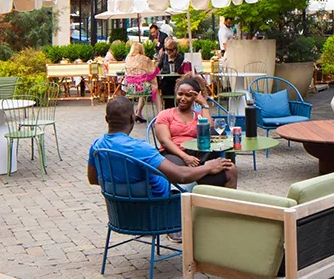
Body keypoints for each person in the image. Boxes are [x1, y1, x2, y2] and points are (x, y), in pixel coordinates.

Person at [88, 96, 236, 241]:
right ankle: (216, 228)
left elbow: (93, 179)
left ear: (106, 119)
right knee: (198, 180)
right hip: (157, 211)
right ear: (132, 118)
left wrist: (125, 187)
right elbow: (181, 176)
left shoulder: (97, 146)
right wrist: (208, 167)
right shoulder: (139, 148)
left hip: (122, 214)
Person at [152, 76, 237, 188]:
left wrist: (204, 105)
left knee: (231, 169)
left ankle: (224, 204)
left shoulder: (199, 116)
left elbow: (212, 134)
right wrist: (185, 157)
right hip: (174, 153)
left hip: (199, 155)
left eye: (188, 95)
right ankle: (206, 170)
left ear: (195, 97)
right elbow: (165, 141)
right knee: (181, 168)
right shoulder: (166, 114)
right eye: (180, 94)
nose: (183, 98)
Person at [123, 41, 158, 123]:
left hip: (130, 88)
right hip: (141, 87)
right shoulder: (144, 59)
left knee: (143, 89)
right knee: (154, 89)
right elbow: (153, 71)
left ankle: (138, 113)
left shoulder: (127, 59)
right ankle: (160, 113)